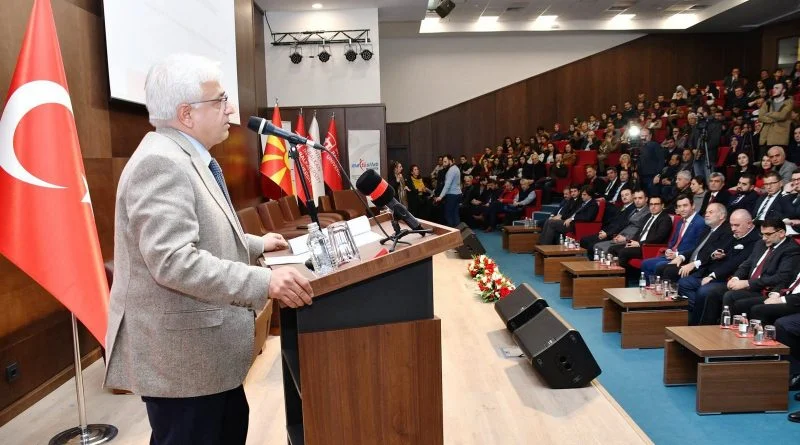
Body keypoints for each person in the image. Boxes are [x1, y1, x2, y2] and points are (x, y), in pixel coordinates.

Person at [103, 54, 314, 444]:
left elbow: (202, 233)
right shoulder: (161, 164)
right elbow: (174, 261)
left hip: (203, 360)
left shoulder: (187, 157)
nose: (230, 110)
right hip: (184, 365)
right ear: (186, 113)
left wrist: (256, 243)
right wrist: (265, 282)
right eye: (220, 101)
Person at [679, 209, 758, 325]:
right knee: (684, 283)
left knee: (705, 291)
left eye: (737, 225)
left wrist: (713, 276)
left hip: (729, 278)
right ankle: (698, 313)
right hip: (715, 271)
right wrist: (716, 254)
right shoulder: (734, 234)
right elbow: (719, 249)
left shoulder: (755, 240)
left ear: (749, 224)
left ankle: (701, 324)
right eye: (731, 225)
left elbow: (737, 263)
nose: (733, 228)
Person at [715, 219, 800, 317]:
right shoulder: (760, 244)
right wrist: (736, 278)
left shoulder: (791, 249)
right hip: (749, 284)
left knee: (731, 296)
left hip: (766, 289)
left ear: (781, 233)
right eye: (762, 234)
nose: (764, 238)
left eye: (768, 234)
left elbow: (781, 277)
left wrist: (747, 283)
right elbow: (747, 264)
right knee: (713, 292)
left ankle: (730, 325)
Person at [640, 194, 706, 277]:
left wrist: (678, 254)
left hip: (685, 258)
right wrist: (669, 249)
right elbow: (673, 241)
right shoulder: (681, 221)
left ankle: (658, 285)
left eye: (685, 205)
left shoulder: (700, 223)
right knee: (645, 263)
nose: (682, 209)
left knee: (659, 266)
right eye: (679, 206)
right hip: (672, 255)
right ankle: (651, 285)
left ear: (693, 206)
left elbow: (697, 247)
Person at [758, 82, 793, 148]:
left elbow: (782, 116)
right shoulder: (768, 102)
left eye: (777, 88)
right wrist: (774, 119)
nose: (774, 90)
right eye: (773, 88)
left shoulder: (789, 102)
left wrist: (768, 114)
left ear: (783, 90)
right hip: (765, 139)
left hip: (779, 139)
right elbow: (760, 117)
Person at [434, 154, 462, 227]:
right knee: (455, 214)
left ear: (450, 161)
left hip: (452, 195)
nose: (444, 164)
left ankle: (453, 231)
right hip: (458, 194)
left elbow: (447, 185)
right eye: (443, 162)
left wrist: (440, 196)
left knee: (448, 214)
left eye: (445, 162)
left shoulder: (451, 170)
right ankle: (458, 231)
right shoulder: (456, 168)